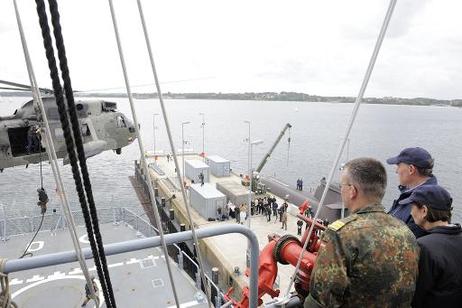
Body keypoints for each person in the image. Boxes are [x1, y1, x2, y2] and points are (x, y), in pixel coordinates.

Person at [305, 158, 419, 308]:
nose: (341, 190)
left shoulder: (341, 235)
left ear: (352, 191)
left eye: (342, 186)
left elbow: (321, 301)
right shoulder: (407, 233)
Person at [403, 185, 462, 307]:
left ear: (424, 211)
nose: (410, 212)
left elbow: (416, 296)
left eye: (412, 207)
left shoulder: (424, 246)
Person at [386, 147, 437, 238]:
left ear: (411, 169)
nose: (396, 171)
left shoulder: (423, 202)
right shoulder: (412, 193)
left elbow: (410, 241)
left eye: (398, 166)